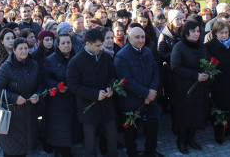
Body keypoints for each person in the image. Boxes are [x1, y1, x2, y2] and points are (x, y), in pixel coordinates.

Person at [67, 29, 117, 157]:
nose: (101, 48)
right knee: (90, 143)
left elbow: (112, 75)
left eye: (101, 45)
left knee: (112, 138)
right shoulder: (75, 62)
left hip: (107, 106)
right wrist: (94, 94)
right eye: (98, 46)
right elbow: (74, 87)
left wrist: (111, 88)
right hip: (88, 108)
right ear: (88, 44)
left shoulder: (106, 57)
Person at [114, 27, 161, 157]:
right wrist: (146, 93)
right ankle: (132, 153)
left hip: (150, 99)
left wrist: (152, 91)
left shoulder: (147, 51)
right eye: (137, 37)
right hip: (131, 101)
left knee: (152, 128)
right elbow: (126, 80)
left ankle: (150, 152)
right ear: (129, 38)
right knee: (130, 132)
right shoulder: (121, 56)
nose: (141, 40)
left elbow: (155, 72)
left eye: (143, 37)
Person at [0, 38, 42, 157]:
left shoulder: (34, 64)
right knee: (12, 150)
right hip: (12, 115)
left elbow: (40, 83)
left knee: (25, 147)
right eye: (20, 49)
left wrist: (37, 94)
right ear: (14, 50)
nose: (24, 51)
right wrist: (15, 98)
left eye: (26, 48)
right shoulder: (6, 67)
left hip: (29, 113)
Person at [170, 21, 208, 154]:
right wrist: (195, 75)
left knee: (196, 115)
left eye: (198, 31)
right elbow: (175, 67)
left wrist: (207, 72)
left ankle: (191, 139)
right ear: (186, 33)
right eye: (193, 31)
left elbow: (206, 63)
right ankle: (181, 141)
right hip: (184, 88)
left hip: (199, 88)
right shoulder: (179, 47)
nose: (196, 34)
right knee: (184, 116)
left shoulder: (202, 47)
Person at [43, 34, 82, 156]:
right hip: (58, 101)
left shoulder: (77, 57)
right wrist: (57, 86)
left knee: (71, 128)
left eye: (68, 42)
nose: (66, 45)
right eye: (63, 43)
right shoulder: (50, 60)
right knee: (59, 130)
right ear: (58, 45)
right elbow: (45, 78)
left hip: (74, 99)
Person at [157, 10, 183, 132]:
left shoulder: (183, 32)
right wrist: (176, 53)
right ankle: (175, 125)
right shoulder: (164, 35)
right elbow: (161, 54)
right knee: (173, 99)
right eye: (177, 19)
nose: (179, 21)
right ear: (171, 21)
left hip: (182, 70)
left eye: (181, 19)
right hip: (170, 71)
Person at [205, 20, 230, 144]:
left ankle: (228, 131)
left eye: (226, 32)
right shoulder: (210, 46)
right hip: (218, 83)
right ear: (215, 33)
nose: (225, 35)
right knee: (219, 109)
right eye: (221, 33)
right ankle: (219, 134)